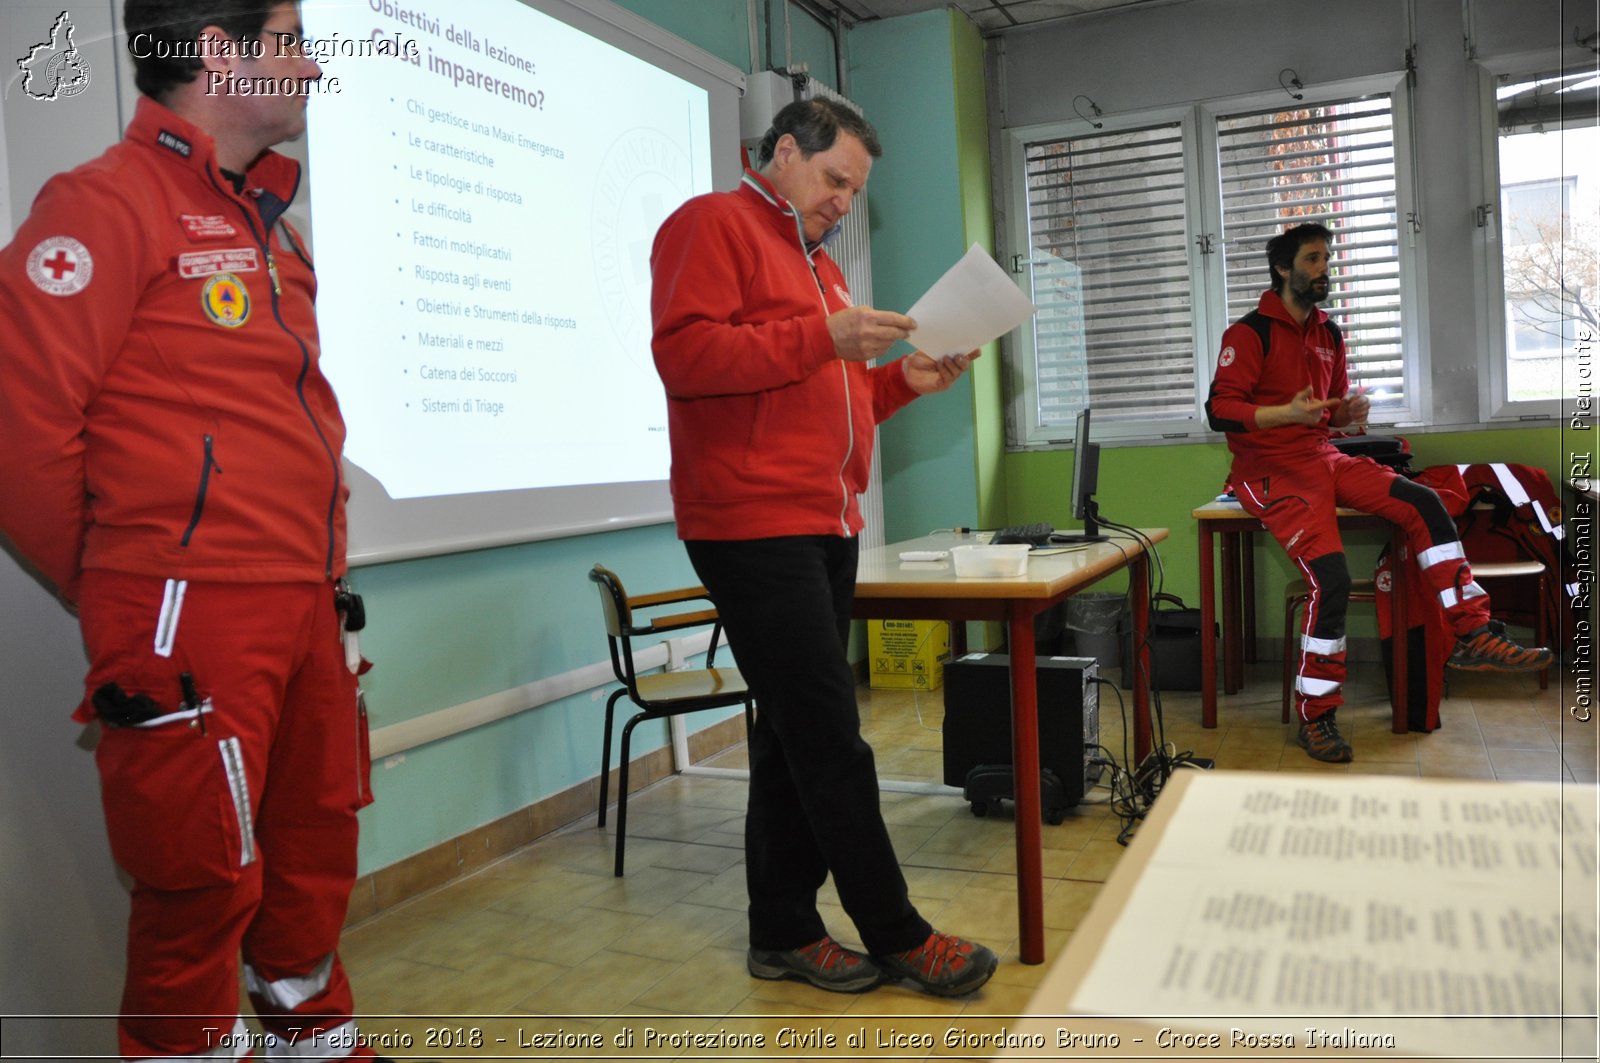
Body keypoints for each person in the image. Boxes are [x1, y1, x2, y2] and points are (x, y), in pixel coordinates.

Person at [0, 4, 390, 1059]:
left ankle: (317, 1039)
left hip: (303, 595)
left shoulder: (274, 226)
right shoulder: (104, 204)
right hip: (187, 603)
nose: (312, 63)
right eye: (291, 37)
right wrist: (131, 581)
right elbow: (20, 426)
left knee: (311, 851)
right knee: (199, 878)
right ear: (219, 52)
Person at [649, 98, 998, 997]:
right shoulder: (710, 224)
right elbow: (686, 358)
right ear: (782, 152)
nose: (845, 203)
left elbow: (838, 403)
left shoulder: (819, 272)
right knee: (834, 739)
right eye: (835, 180)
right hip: (749, 522)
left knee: (791, 739)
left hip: (822, 520)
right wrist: (824, 338)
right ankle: (897, 931)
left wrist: (905, 383)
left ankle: (783, 931)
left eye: (856, 191)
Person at [1205, 222, 1553, 763]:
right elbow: (1220, 411)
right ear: (1283, 268)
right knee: (1334, 581)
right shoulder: (1249, 334)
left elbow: (1331, 414)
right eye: (1314, 259)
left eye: (1327, 258)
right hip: (1267, 470)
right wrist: (1285, 414)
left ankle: (1471, 631)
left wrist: (1346, 414)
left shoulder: (1329, 334)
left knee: (1425, 501)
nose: (1325, 269)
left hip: (1324, 458)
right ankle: (1316, 718)